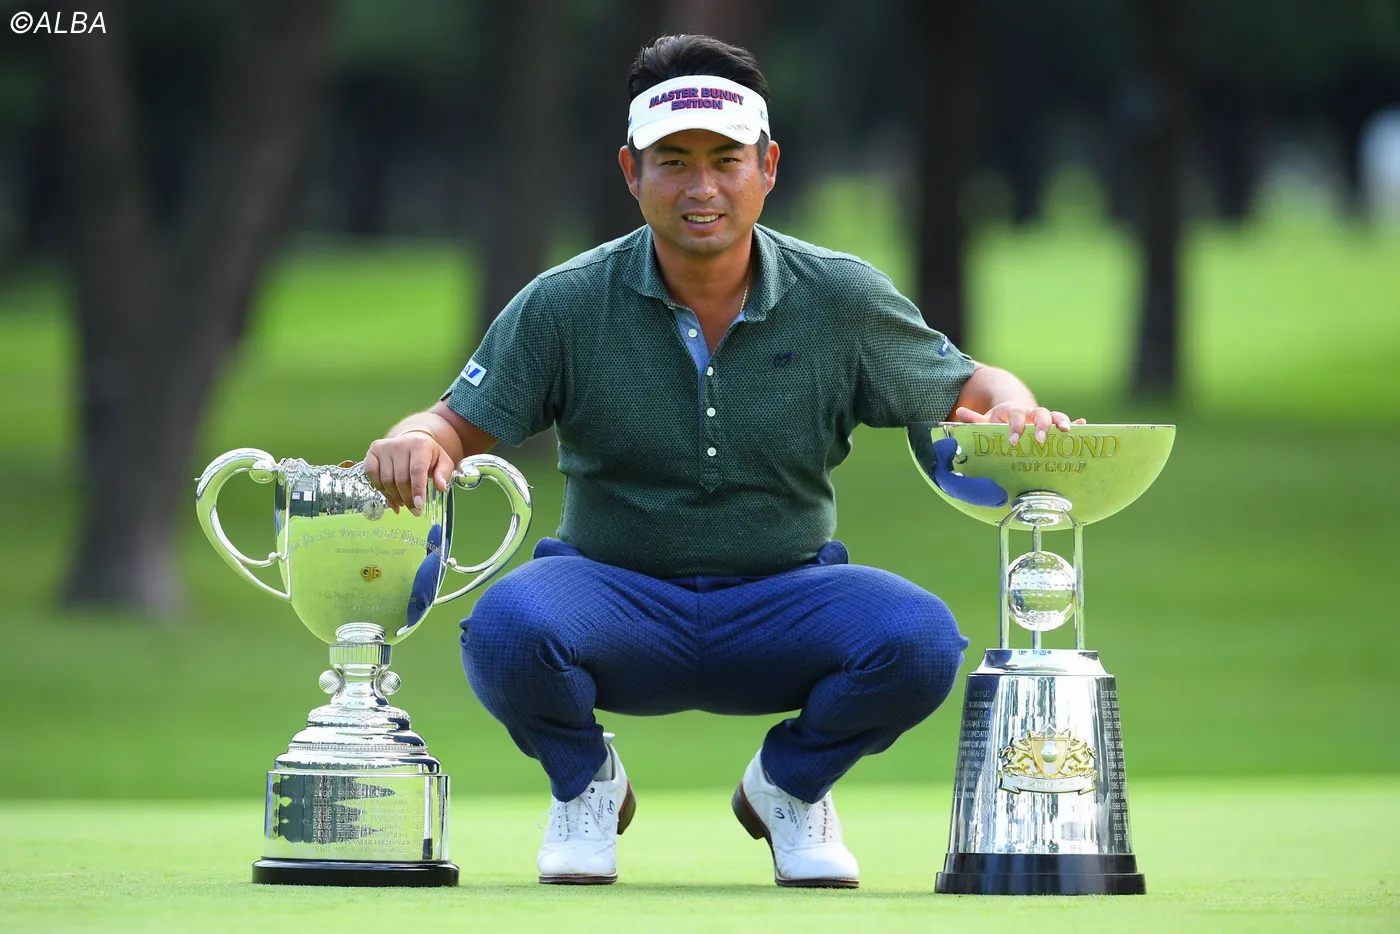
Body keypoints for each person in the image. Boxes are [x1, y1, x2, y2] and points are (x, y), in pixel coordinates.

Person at [364, 34, 1083, 888]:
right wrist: (416, 440)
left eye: (725, 160)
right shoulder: (566, 302)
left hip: (786, 602)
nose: (701, 188)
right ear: (631, 173)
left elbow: (972, 384)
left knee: (920, 639)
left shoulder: (839, 296)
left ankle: (788, 788)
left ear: (767, 167)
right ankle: (586, 784)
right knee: (507, 630)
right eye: (673, 162)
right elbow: (452, 424)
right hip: (611, 599)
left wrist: (1013, 407)